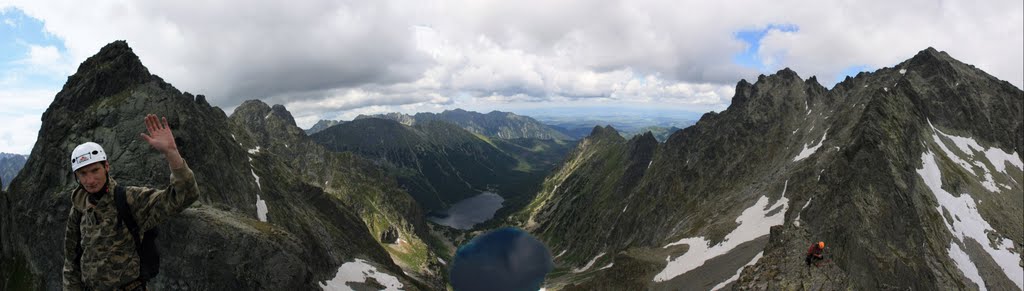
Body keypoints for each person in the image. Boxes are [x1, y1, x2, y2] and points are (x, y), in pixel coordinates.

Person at [63, 114, 200, 290]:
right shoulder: (79, 208)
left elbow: (184, 196)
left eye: (95, 170)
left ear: (106, 167)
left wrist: (171, 153)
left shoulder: (129, 198)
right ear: (76, 177)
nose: (90, 180)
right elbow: (71, 260)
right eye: (83, 174)